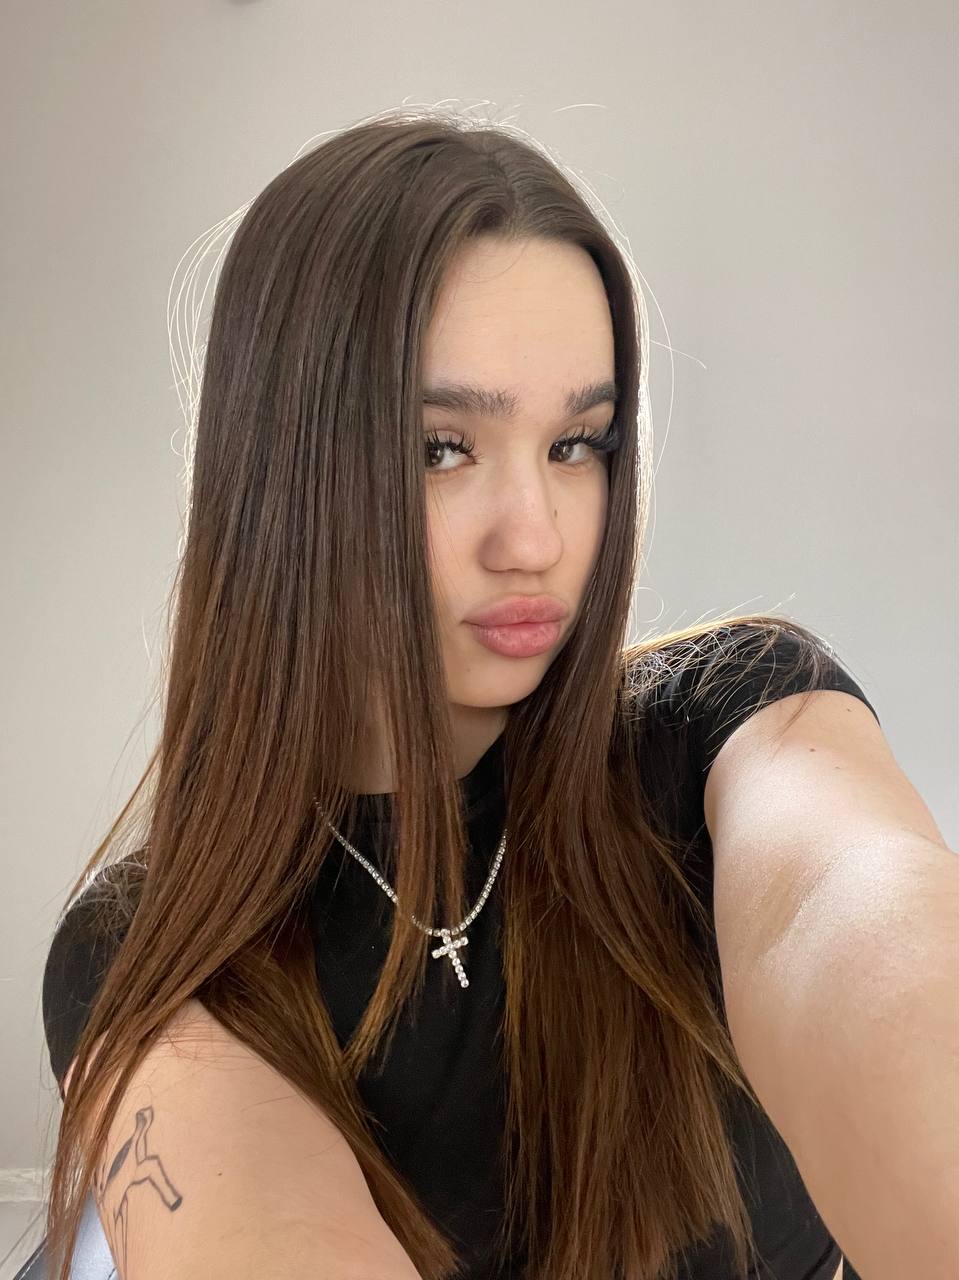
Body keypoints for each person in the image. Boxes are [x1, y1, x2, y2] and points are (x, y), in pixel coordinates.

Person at [39, 105, 876, 1280]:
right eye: (441, 447)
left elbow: (879, 948)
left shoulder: (736, 725)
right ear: (287, 471)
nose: (533, 538)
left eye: (577, 443)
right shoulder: (147, 948)